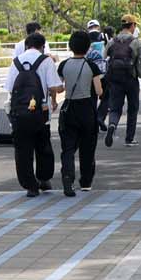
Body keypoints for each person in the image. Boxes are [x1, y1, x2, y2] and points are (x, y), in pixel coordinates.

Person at [5, 30, 64, 195]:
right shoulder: (45, 61)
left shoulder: (16, 61)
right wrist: (61, 87)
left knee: (23, 150)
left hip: (19, 113)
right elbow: (54, 87)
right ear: (42, 46)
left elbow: (9, 88)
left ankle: (30, 185)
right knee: (42, 146)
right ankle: (44, 178)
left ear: (26, 45)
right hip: (41, 113)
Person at [56, 32, 105, 196]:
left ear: (70, 46)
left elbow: (59, 88)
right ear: (87, 47)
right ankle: (85, 182)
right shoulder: (92, 66)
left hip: (69, 108)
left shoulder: (63, 65)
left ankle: (68, 176)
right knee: (87, 148)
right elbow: (99, 91)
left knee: (68, 148)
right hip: (87, 110)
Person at [103, 14, 141, 146]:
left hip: (115, 79)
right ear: (132, 25)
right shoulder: (135, 42)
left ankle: (112, 125)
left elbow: (104, 59)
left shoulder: (111, 42)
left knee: (115, 108)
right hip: (131, 79)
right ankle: (129, 138)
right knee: (132, 108)